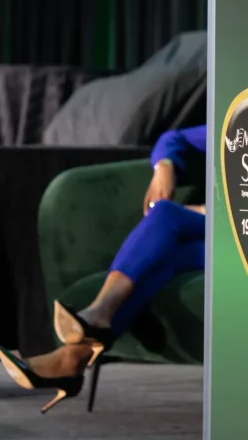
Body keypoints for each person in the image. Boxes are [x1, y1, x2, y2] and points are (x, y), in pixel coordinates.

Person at [0, 125, 206, 412]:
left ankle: (87, 333)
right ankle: (77, 349)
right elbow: (174, 138)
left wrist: (213, 211)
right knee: (167, 259)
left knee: (166, 214)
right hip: (217, 235)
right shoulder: (240, 125)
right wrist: (165, 167)